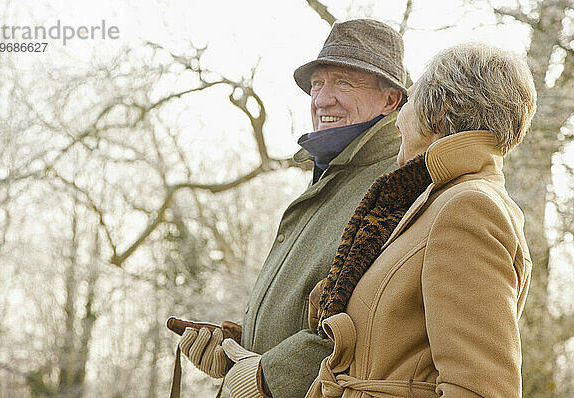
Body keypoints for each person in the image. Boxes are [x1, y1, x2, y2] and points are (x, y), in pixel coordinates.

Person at [176, 19, 407, 398]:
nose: (322, 99)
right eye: (318, 84)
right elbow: (309, 313)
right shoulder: (331, 175)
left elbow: (369, 321)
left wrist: (269, 377)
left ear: (390, 100)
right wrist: (235, 349)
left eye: (344, 82)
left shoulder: (391, 184)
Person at [305, 42, 536, 398]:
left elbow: (480, 388)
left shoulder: (468, 208)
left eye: (409, 101)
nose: (398, 118)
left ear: (439, 110)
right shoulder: (431, 202)